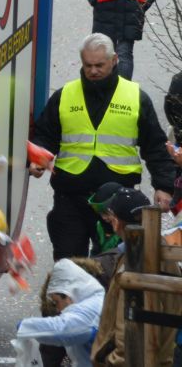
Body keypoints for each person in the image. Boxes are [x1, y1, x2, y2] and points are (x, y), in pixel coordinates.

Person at [29, 33, 175, 260]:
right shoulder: (65, 96)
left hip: (116, 203)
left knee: (112, 268)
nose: (93, 71)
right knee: (70, 268)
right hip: (70, 198)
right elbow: (44, 135)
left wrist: (164, 186)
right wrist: (37, 159)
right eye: (88, 65)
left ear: (114, 60)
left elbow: (155, 146)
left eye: (99, 65)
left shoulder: (135, 97)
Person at [90, 187, 182, 364]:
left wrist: (111, 361)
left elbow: (126, 333)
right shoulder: (163, 250)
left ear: (116, 222)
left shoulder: (133, 266)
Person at [14, 259, 106, 367]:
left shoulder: (89, 311)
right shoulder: (96, 298)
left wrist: (25, 326)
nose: (58, 309)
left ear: (67, 293)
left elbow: (62, 329)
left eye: (56, 302)